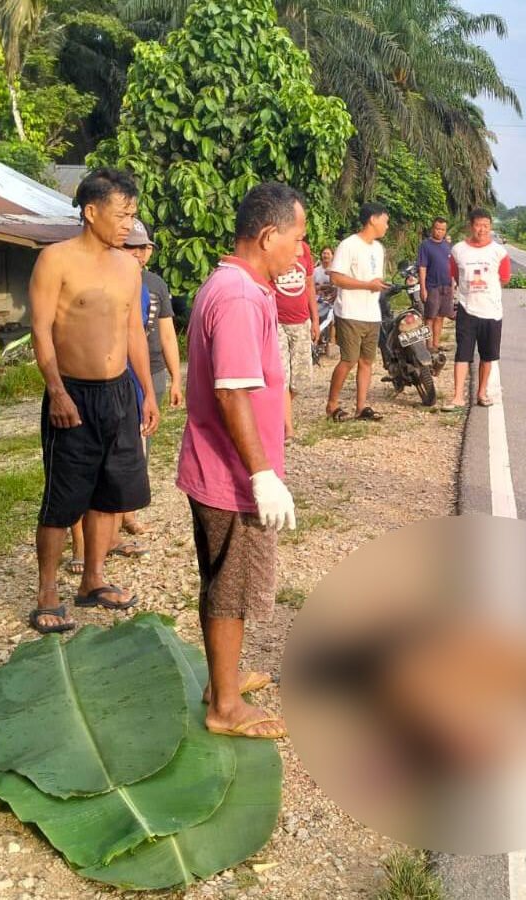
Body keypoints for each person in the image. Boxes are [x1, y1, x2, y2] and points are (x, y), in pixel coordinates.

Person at [179, 182, 306, 740]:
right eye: (297, 241)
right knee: (231, 587)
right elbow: (232, 393)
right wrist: (261, 477)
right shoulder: (236, 297)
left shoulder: (239, 287)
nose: (299, 253)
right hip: (230, 477)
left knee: (222, 580)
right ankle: (225, 706)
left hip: (219, 469)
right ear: (267, 235)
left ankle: (220, 681)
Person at [29, 168, 159, 634]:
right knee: (64, 497)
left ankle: (92, 579)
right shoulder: (55, 260)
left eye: (132, 215)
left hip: (118, 392)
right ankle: (47, 590)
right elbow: (40, 330)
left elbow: (133, 333)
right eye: (122, 214)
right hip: (74, 392)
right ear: (90, 211)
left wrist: (145, 391)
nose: (128, 224)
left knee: (113, 491)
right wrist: (56, 390)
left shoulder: (128, 266)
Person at [112, 219, 182, 546]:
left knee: (142, 443)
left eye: (144, 247)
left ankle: (128, 512)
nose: (140, 253)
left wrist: (176, 378)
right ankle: (108, 519)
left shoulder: (155, 284)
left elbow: (167, 333)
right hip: (116, 373)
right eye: (132, 246)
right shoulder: (108, 279)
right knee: (118, 444)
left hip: (151, 370)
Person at [443, 208, 512, 411]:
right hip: (467, 309)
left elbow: (505, 278)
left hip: (492, 311)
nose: (482, 230)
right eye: (478, 225)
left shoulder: (499, 252)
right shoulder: (458, 250)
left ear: (490, 227)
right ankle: (457, 397)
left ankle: (482, 393)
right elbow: (454, 275)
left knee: (488, 356)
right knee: (462, 354)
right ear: (470, 226)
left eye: (486, 226)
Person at [327, 203, 390, 422]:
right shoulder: (349, 245)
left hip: (372, 313)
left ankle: (361, 407)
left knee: (366, 361)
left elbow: (374, 278)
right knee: (348, 360)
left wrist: (379, 285)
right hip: (350, 311)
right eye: (385, 221)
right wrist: (367, 285)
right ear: (373, 219)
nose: (387, 226)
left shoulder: (378, 249)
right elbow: (335, 277)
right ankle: (332, 405)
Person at [273, 236, 318, 441]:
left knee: (301, 380)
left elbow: (309, 286)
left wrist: (315, 319)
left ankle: (275, 411)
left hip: (301, 322)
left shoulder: (304, 250)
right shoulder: (275, 249)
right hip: (278, 322)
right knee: (282, 377)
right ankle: (287, 427)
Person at [417, 216, 454, 356]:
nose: (439, 232)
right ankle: (428, 345)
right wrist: (423, 288)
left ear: (445, 231)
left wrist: (453, 284)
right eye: (437, 229)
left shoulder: (447, 246)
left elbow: (452, 266)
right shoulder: (425, 245)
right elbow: (422, 267)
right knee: (430, 317)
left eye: (442, 229)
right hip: (432, 286)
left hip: (447, 286)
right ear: (433, 228)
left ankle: (437, 344)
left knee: (441, 316)